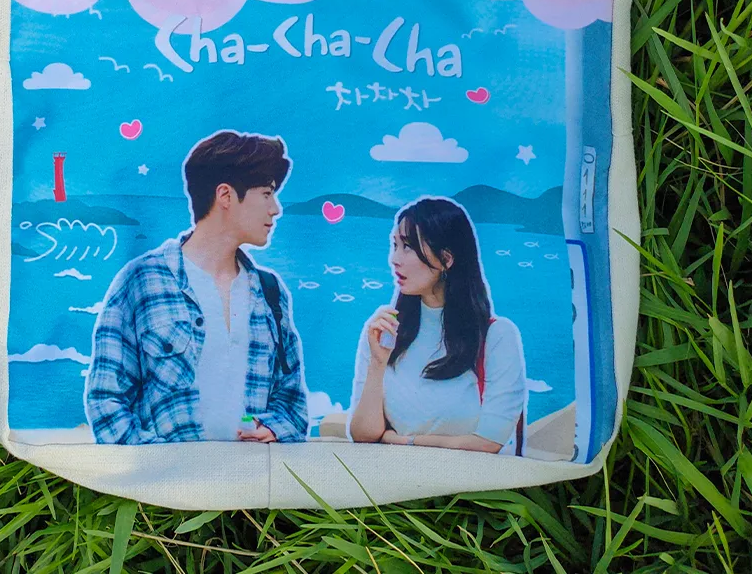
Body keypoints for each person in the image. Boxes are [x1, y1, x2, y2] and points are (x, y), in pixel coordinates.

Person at [84, 130, 309, 444]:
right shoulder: (143, 280)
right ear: (226, 195)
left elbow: (292, 403)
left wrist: (272, 428)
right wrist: (163, 463)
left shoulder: (271, 291)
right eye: (267, 193)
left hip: (253, 471)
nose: (276, 208)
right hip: (166, 473)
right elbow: (106, 400)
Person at [348, 196, 526, 452]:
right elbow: (364, 435)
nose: (394, 259)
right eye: (395, 245)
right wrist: (377, 363)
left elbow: (489, 441)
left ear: (446, 259)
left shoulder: (496, 336)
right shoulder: (387, 331)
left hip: (468, 478)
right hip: (393, 477)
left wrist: (406, 441)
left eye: (408, 246)